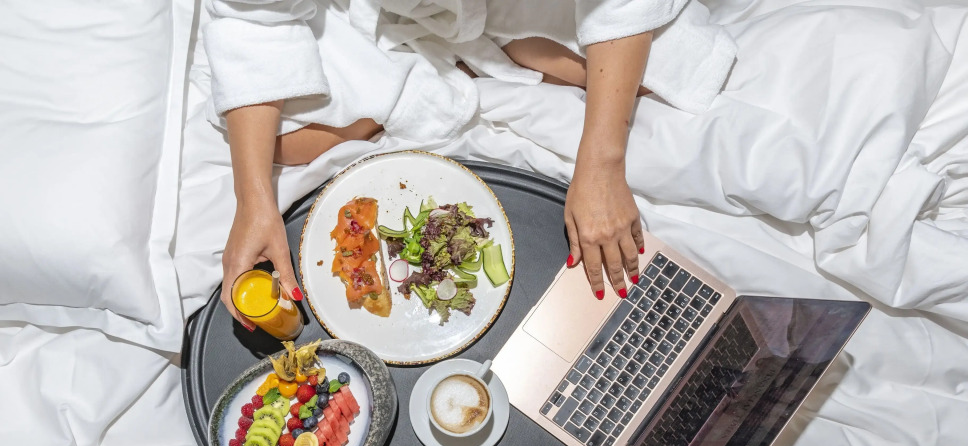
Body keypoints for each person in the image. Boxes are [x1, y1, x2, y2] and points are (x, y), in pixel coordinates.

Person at [204, 0, 735, 328]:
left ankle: (466, 61)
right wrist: (253, 202)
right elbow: (254, 20)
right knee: (284, 145)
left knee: (658, 75)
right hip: (382, 15)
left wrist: (601, 165)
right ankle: (441, 70)